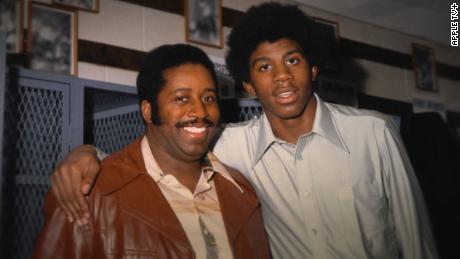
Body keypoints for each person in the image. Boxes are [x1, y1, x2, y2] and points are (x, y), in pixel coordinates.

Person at [49, 3, 438, 259]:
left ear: (313, 67)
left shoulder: (375, 134)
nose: (282, 75)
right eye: (264, 67)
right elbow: (165, 147)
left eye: (293, 60)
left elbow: (417, 240)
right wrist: (87, 155)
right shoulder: (233, 144)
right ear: (249, 86)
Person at [32, 44, 270, 259]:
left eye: (208, 97)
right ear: (148, 111)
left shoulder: (242, 191)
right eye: (181, 98)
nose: (200, 111)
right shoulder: (88, 193)